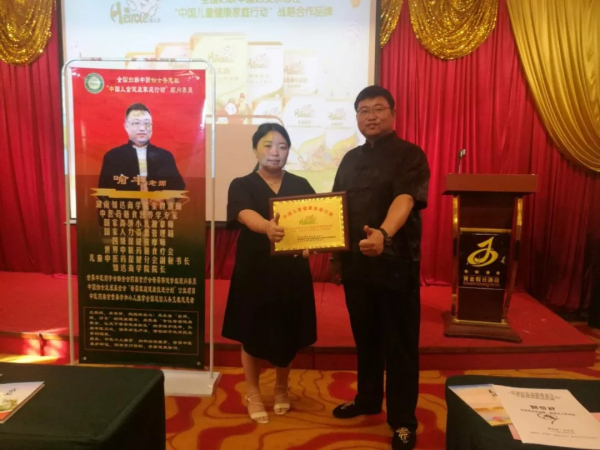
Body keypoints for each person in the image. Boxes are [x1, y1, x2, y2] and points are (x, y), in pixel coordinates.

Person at [330, 86, 430, 450]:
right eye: (363, 110)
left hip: (396, 265)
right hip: (357, 267)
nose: (370, 116)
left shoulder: (409, 155)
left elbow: (406, 198)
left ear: (393, 113)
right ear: (357, 117)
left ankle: (403, 420)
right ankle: (368, 399)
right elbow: (335, 209)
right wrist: (332, 254)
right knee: (366, 338)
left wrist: (384, 235)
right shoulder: (348, 159)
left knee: (400, 345)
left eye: (378, 108)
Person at [222, 122, 317, 424]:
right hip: (255, 271)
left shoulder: (301, 184)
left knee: (288, 330)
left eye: (282, 146)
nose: (275, 152)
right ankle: (252, 392)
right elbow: (244, 214)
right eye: (267, 145)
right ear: (255, 149)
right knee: (251, 332)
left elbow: (314, 223)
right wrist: (267, 227)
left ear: (288, 151)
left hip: (292, 272)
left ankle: (281, 387)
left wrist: (314, 243)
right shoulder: (242, 184)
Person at [98, 103, 185, 191]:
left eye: (146, 123)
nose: (142, 128)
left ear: (151, 126)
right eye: (136, 123)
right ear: (126, 126)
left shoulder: (165, 156)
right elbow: (104, 192)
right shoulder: (112, 157)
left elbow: (178, 188)